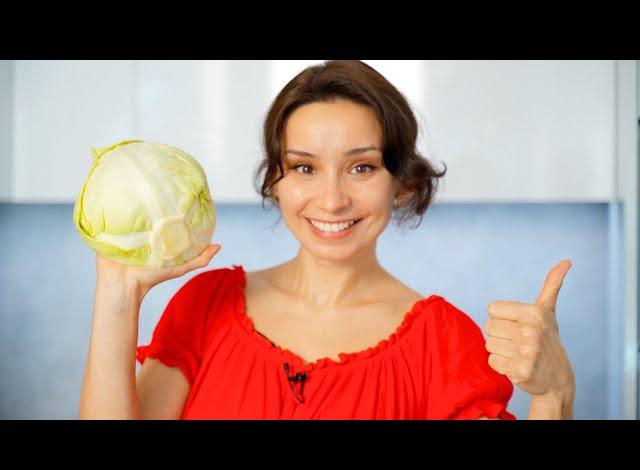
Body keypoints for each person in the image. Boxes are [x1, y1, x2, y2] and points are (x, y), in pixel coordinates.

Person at [78, 60, 575, 420]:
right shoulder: (205, 308)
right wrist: (117, 294)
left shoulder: (445, 347)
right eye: (304, 167)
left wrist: (554, 396)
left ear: (400, 182)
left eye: (361, 167)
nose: (332, 199)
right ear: (276, 180)